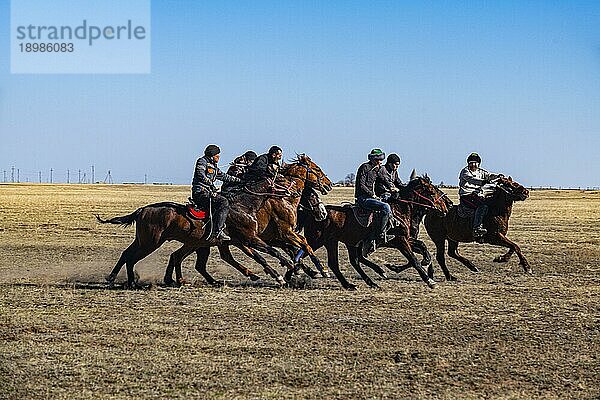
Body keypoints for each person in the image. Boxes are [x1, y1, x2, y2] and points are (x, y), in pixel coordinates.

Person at [192, 145, 242, 242]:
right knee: (223, 202)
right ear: (212, 155)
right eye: (217, 155)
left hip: (209, 192)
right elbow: (200, 173)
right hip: (201, 192)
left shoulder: (214, 166)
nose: (218, 157)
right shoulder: (202, 161)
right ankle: (217, 231)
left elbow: (224, 176)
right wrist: (209, 183)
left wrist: (239, 180)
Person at [355, 148, 394, 255]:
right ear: (372, 159)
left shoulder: (378, 169)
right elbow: (361, 185)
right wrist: (372, 195)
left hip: (372, 198)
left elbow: (384, 179)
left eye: (381, 160)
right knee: (385, 207)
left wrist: (392, 188)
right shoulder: (365, 167)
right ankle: (380, 235)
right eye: (378, 160)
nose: (380, 162)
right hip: (363, 198)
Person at [458, 152, 502, 239]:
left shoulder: (481, 172)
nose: (473, 165)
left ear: (478, 164)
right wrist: (483, 182)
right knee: (482, 206)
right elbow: (472, 179)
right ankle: (476, 228)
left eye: (475, 163)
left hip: (477, 195)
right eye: (471, 163)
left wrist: (499, 176)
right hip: (467, 195)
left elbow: (489, 175)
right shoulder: (465, 171)